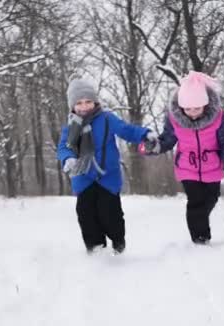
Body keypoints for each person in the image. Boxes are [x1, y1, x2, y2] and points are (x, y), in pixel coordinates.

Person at [57, 75, 158, 254]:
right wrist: (68, 159)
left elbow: (125, 130)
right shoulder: (70, 127)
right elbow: (65, 147)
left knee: (110, 214)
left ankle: (118, 242)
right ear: (72, 106)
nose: (84, 106)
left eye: (88, 101)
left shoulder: (107, 119)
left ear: (95, 102)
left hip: (107, 176)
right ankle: (95, 249)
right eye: (79, 103)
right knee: (86, 214)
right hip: (83, 177)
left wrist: (144, 134)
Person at [139, 71, 224, 245]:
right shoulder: (175, 120)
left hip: (212, 166)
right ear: (181, 106)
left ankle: (199, 223)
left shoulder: (219, 118)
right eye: (188, 108)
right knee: (195, 202)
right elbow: (168, 139)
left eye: (197, 108)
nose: (192, 112)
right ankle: (200, 239)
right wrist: (153, 146)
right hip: (187, 167)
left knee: (211, 199)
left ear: (206, 105)